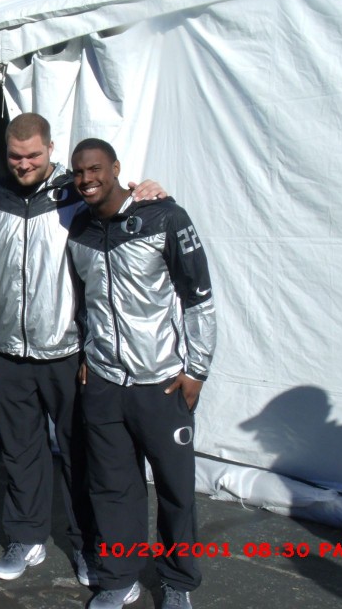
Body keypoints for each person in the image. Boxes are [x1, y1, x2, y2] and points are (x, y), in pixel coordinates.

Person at [0, 113, 163, 585]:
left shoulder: (76, 195)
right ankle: (28, 536)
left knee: (79, 454)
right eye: (16, 156)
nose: (24, 164)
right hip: (6, 350)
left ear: (51, 149)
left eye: (34, 155)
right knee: (20, 452)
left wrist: (149, 192)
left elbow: (122, 213)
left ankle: (84, 544)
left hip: (66, 351)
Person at [66, 138, 216, 609]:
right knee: (112, 488)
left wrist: (197, 370)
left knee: (175, 490)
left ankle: (176, 579)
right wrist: (89, 355)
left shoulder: (165, 217)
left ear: (115, 168)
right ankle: (119, 576)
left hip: (162, 382)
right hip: (106, 385)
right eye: (79, 173)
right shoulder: (80, 231)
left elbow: (198, 297)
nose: (88, 179)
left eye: (96, 169)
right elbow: (84, 304)